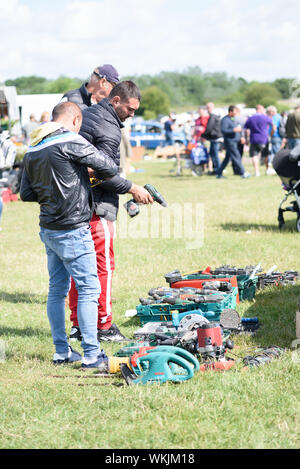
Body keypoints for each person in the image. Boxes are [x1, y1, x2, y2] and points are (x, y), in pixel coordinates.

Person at [19, 102, 119, 368]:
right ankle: (91, 354)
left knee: (57, 291)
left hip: (49, 229)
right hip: (73, 227)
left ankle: (61, 352)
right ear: (75, 120)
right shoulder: (70, 141)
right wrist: (85, 175)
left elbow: (26, 194)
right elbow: (108, 165)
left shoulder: (34, 147)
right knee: (89, 289)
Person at [68, 81, 153, 343]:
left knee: (78, 268)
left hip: (75, 206)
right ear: (115, 101)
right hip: (97, 206)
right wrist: (132, 188)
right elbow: (103, 174)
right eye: (130, 109)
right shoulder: (108, 127)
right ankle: (103, 325)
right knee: (103, 266)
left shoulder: (88, 115)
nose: (132, 114)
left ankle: (78, 324)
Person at [216, 105, 250, 179]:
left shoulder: (232, 119)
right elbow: (224, 130)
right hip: (230, 142)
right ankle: (243, 172)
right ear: (230, 112)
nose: (236, 113)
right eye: (235, 111)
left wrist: (240, 136)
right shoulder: (225, 120)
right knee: (236, 156)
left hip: (234, 141)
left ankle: (219, 173)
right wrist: (233, 130)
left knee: (227, 158)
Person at [244, 104, 273, 176]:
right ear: (261, 109)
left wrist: (247, 139)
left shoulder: (250, 118)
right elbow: (274, 126)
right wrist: (271, 134)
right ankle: (267, 169)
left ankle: (257, 172)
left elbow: (246, 130)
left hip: (254, 139)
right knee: (265, 155)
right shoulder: (265, 117)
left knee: (254, 155)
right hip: (264, 139)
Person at [201, 102, 222, 175]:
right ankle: (216, 169)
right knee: (213, 155)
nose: (207, 109)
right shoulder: (214, 115)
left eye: (208, 108)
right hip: (214, 138)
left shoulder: (213, 116)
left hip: (215, 138)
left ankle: (218, 170)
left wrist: (203, 135)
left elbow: (209, 127)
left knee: (215, 155)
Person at [266, 105, 282, 175]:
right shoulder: (278, 116)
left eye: (269, 112)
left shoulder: (275, 117)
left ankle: (279, 168)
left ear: (272, 111)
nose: (268, 113)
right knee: (274, 152)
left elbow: (274, 128)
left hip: (275, 136)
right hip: (277, 137)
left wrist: (270, 135)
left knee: (276, 153)